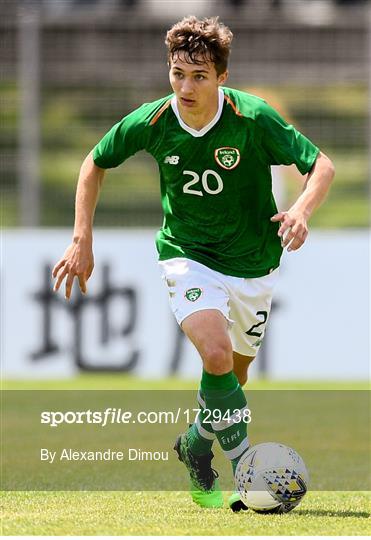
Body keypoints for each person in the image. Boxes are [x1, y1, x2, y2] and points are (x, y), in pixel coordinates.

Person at [52, 15, 335, 511]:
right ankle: (250, 470)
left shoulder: (253, 118)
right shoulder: (155, 121)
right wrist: (81, 240)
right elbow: (93, 163)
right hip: (188, 256)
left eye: (199, 76)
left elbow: (322, 166)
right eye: (178, 73)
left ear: (222, 78)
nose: (185, 86)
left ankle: (195, 445)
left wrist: (301, 211)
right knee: (217, 354)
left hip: (254, 265)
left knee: (230, 381)